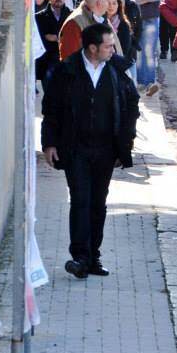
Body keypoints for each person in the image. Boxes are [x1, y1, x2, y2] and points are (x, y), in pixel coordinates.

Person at [42, 23, 139, 279]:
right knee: (81, 200)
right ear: (92, 48)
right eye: (108, 46)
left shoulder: (117, 70)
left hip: (106, 149)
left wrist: (125, 142)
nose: (112, 49)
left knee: (98, 202)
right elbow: (51, 109)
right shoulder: (67, 71)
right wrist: (49, 143)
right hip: (76, 148)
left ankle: (94, 255)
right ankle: (80, 257)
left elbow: (131, 103)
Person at [121, 0, 165, 95]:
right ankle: (140, 81)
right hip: (133, 19)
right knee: (138, 50)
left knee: (149, 51)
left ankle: (149, 81)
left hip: (151, 17)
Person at [58, 0, 123, 60]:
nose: (108, 5)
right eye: (107, 1)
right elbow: (69, 57)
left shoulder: (102, 18)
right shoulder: (74, 23)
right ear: (98, 3)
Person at [35, 0, 71, 86]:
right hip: (47, 63)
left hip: (67, 63)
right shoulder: (38, 17)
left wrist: (56, 38)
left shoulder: (72, 15)